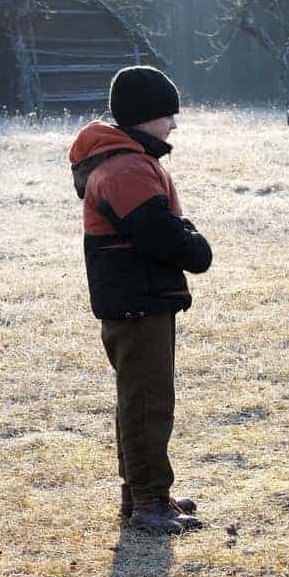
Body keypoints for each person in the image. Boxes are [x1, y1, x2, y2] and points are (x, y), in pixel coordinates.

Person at [68, 66, 213, 534]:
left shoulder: (122, 160)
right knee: (148, 402)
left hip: (135, 298)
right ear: (144, 116)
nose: (173, 125)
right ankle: (149, 502)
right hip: (139, 298)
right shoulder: (126, 166)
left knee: (138, 400)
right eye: (167, 114)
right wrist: (194, 244)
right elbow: (157, 234)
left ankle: (143, 495)